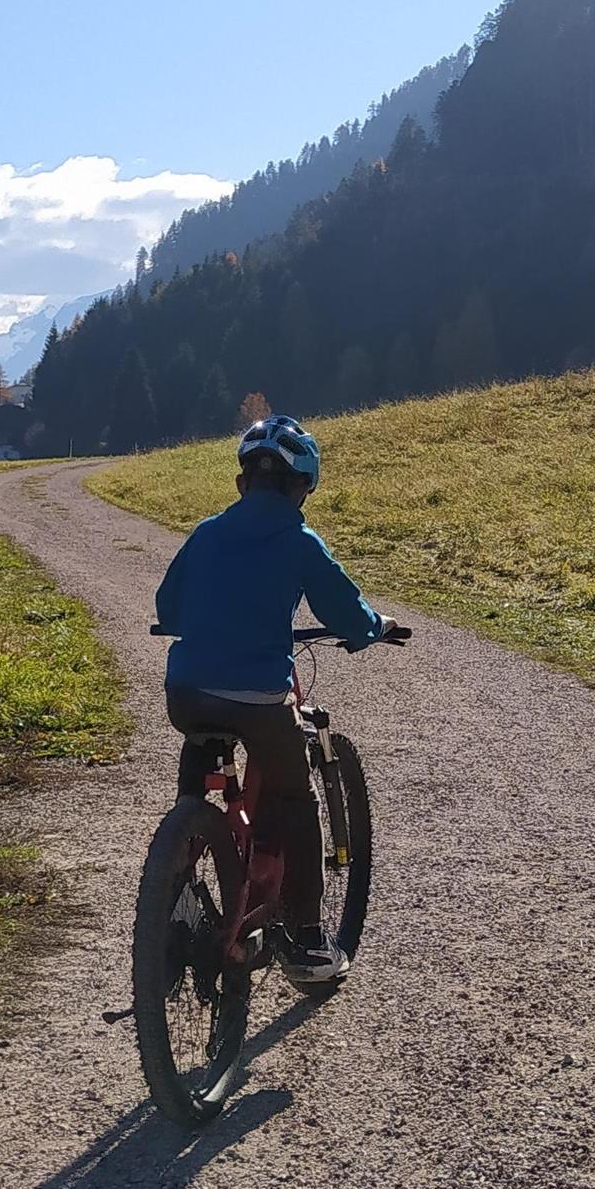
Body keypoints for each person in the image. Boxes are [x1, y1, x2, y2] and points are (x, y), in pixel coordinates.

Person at [154, 411, 400, 982]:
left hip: (186, 691)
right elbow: (344, 610)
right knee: (293, 799)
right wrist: (375, 627)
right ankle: (308, 939)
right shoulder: (298, 539)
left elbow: (169, 606)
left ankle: (177, 894)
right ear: (301, 488)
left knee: (200, 760)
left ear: (242, 484)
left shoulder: (208, 532)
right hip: (260, 698)